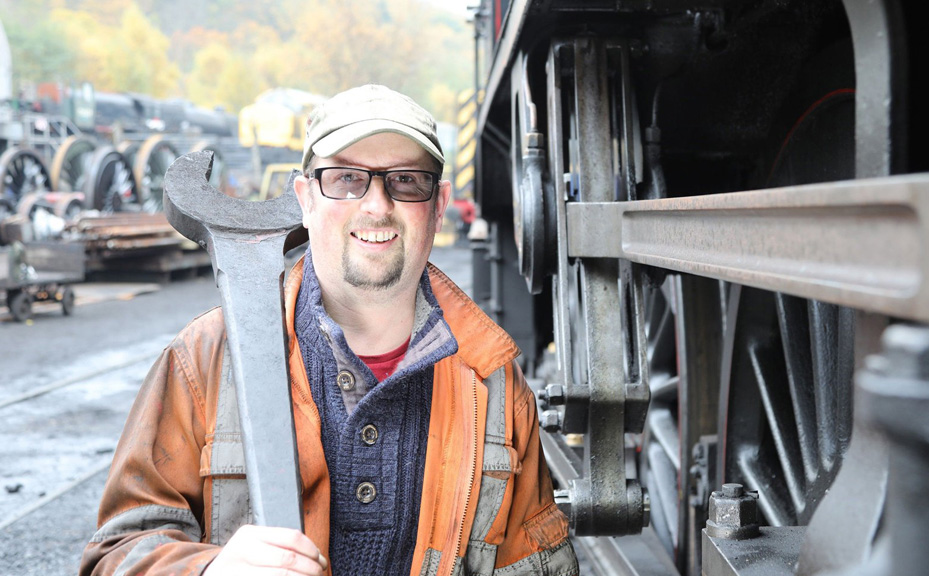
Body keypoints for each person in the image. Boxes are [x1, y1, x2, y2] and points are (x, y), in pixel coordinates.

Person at [79, 84, 578, 576]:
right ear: (305, 198)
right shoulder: (204, 359)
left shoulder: (494, 386)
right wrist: (208, 572)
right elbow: (117, 552)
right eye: (345, 178)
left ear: (439, 203)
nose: (377, 206)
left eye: (406, 181)